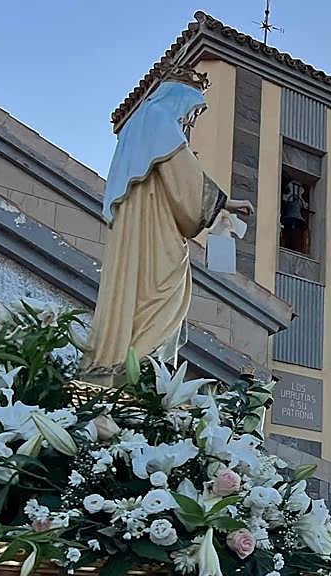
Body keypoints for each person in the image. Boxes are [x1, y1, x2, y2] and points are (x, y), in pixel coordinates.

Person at [86, 74, 253, 372]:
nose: (191, 120)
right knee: (164, 294)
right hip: (155, 233)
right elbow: (185, 177)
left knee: (141, 293)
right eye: (194, 110)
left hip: (145, 226)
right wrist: (225, 203)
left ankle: (130, 359)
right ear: (180, 98)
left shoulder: (138, 127)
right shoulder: (158, 119)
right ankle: (142, 365)